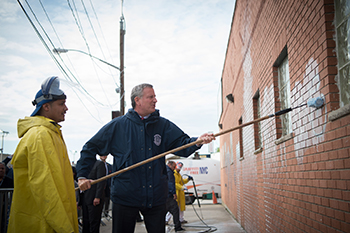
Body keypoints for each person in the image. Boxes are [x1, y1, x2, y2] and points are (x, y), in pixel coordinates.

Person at [76, 83, 215, 233]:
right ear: (138, 100)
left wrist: (198, 141)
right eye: (151, 97)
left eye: (155, 97)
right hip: (125, 198)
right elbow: (90, 148)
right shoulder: (118, 126)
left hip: (155, 198)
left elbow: (183, 144)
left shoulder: (163, 126)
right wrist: (82, 175)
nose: (155, 100)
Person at [8, 76, 79, 233]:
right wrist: (65, 229)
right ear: (46, 107)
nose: (66, 108)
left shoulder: (51, 133)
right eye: (61, 104)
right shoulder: (40, 135)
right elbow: (45, 188)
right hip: (42, 225)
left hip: (50, 223)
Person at [81, 159, 106, 233]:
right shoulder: (83, 165)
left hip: (94, 198)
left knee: (93, 223)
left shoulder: (99, 164)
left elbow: (101, 182)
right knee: (85, 222)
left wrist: (97, 197)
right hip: (84, 197)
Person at [166, 161, 184, 232]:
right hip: (169, 195)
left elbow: (181, 182)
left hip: (164, 195)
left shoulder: (165, 170)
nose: (174, 168)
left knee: (164, 210)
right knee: (175, 210)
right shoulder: (170, 172)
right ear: (170, 165)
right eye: (174, 167)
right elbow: (171, 183)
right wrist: (174, 193)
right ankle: (177, 227)